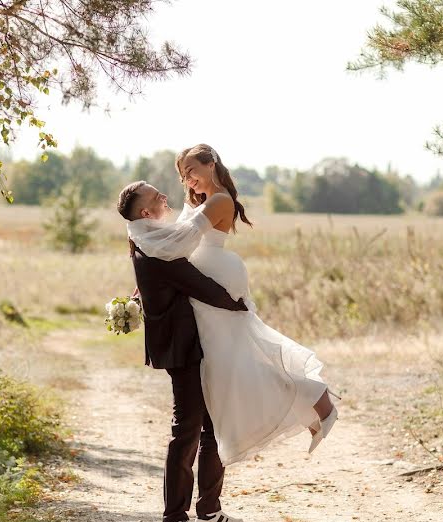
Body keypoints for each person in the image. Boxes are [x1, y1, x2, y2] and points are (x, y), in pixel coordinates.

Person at [123, 143, 339, 470]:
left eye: (192, 170)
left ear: (210, 164)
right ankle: (309, 406)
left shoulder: (221, 200)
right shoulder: (199, 201)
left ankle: (316, 401)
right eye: (183, 174)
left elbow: (181, 240)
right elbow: (176, 246)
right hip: (201, 282)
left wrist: (142, 237)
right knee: (236, 365)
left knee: (241, 361)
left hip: (216, 281)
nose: (188, 179)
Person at [117, 181, 248, 522]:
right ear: (145, 212)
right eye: (156, 196)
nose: (164, 197)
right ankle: (173, 520)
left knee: (210, 424)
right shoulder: (158, 247)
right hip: (183, 347)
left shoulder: (149, 237)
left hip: (193, 342)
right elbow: (198, 284)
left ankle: (208, 513)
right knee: (187, 431)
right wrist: (240, 306)